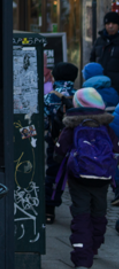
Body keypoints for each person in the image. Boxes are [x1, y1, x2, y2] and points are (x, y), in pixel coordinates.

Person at [54, 87, 119, 269]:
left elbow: (59, 152)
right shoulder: (105, 126)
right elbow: (115, 150)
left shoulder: (72, 125)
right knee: (99, 213)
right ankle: (95, 246)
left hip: (78, 178)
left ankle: (82, 258)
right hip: (102, 179)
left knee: (81, 215)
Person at [45, 62, 78, 224]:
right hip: (77, 141)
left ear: (55, 76)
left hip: (56, 141)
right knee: (77, 175)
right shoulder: (79, 95)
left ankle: (49, 210)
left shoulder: (50, 96)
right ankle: (81, 212)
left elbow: (43, 121)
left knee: (53, 174)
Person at [89, 11, 119, 86]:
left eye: (114, 24)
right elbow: (92, 58)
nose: (110, 26)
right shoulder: (99, 41)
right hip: (99, 83)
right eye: (108, 24)